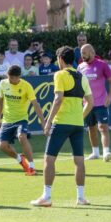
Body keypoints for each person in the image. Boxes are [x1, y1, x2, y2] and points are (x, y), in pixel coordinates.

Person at [30, 46, 94, 207]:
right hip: (77, 125)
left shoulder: (59, 74)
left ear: (60, 59)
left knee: (49, 159)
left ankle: (46, 196)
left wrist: (48, 121)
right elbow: (90, 103)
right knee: (79, 160)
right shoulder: (82, 77)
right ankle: (81, 197)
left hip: (61, 123)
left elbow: (58, 99)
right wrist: (80, 117)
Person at [0, 65, 45, 175]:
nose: (9, 80)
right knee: (2, 146)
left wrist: (43, 121)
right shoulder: (3, 83)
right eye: (8, 77)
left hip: (21, 119)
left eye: (12, 78)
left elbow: (35, 104)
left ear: (18, 77)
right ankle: (20, 159)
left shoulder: (26, 86)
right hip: (7, 120)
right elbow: (0, 101)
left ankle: (31, 166)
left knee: (22, 137)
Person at [78, 44, 111, 162]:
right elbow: (79, 85)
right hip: (87, 104)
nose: (82, 55)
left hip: (101, 103)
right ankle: (95, 152)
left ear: (92, 52)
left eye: (84, 53)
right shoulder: (80, 67)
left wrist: (109, 96)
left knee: (103, 127)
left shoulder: (102, 64)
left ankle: (106, 152)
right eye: (81, 53)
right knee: (91, 128)